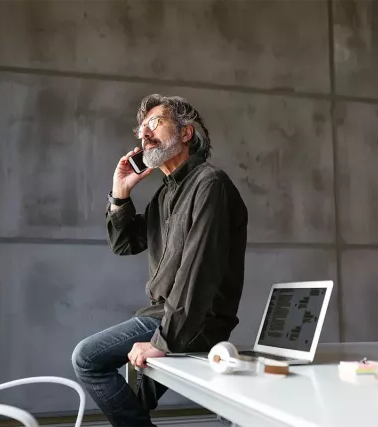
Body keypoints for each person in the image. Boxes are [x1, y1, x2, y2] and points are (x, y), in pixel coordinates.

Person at [72, 94, 248, 427]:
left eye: (155, 123)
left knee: (88, 358)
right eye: (141, 130)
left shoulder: (210, 185)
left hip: (193, 320)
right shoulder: (164, 194)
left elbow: (199, 271)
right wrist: (120, 192)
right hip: (165, 316)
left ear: (186, 133)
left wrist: (164, 340)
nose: (144, 134)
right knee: (131, 404)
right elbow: (124, 243)